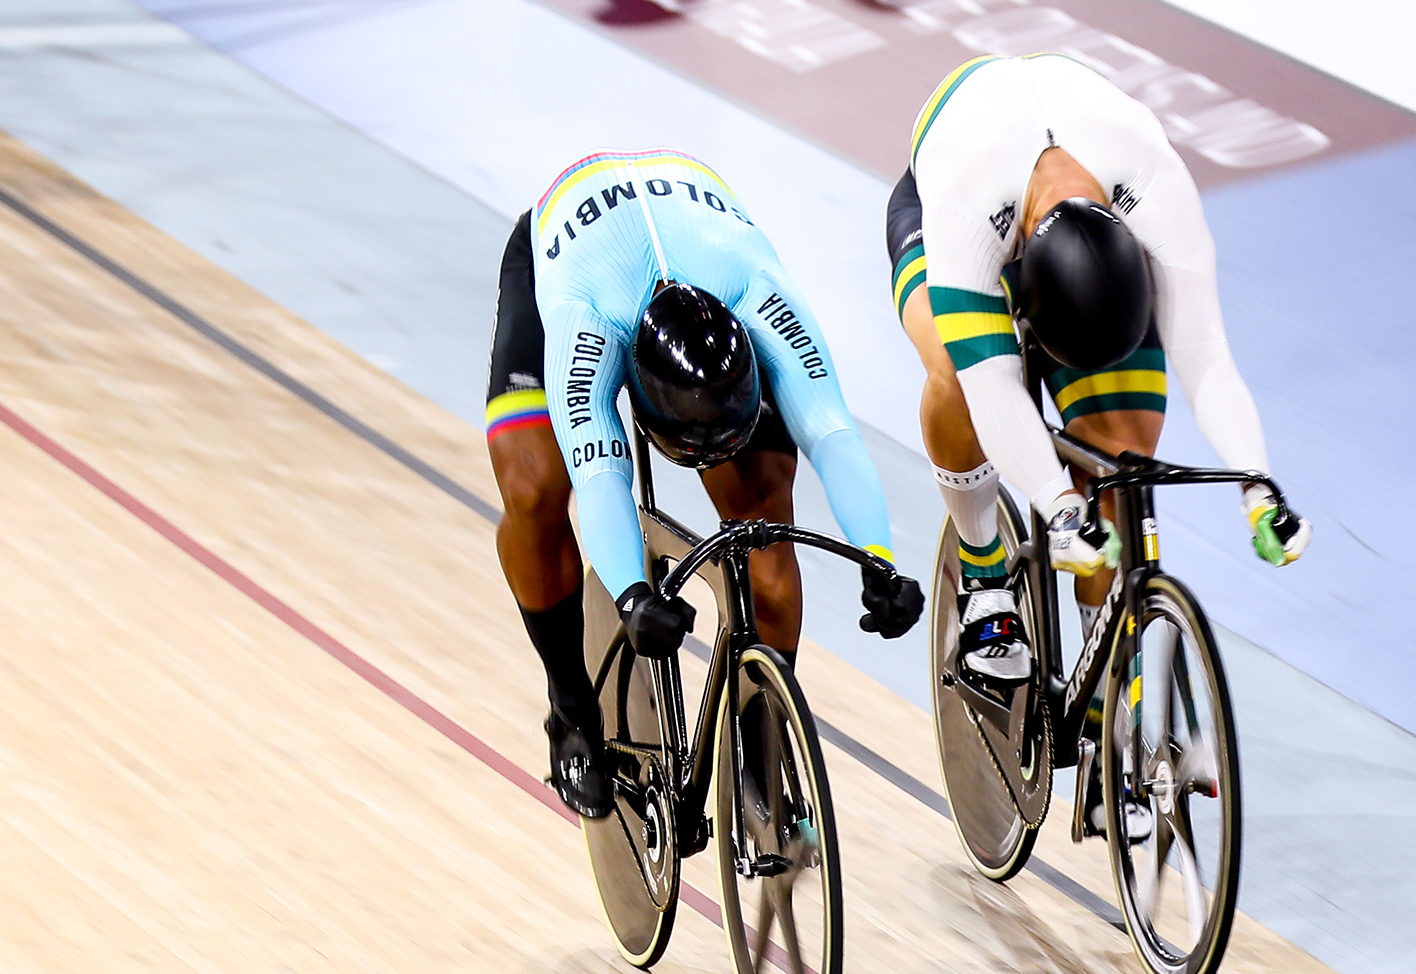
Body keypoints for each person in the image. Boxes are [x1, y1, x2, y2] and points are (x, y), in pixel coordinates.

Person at [487, 147, 922, 818]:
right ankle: (570, 708)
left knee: (766, 509)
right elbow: (601, 475)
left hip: (700, 242)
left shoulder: (758, 290)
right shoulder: (587, 325)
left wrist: (882, 560)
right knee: (536, 490)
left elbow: (832, 432)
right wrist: (632, 595)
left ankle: (762, 734)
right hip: (566, 252)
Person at [886, 53, 1310, 692]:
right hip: (945, 202)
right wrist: (1058, 507)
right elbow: (992, 385)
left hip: (1075, 190)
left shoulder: (1157, 188)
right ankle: (983, 574)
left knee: (1121, 459)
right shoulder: (964, 208)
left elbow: (1206, 352)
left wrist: (1259, 485)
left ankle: (1102, 664)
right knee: (953, 366)